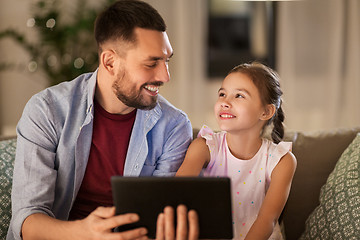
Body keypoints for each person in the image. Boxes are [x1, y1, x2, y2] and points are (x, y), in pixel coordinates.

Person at [7, 0, 197, 239]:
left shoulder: (174, 126)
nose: (165, 76)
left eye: (166, 60)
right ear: (109, 61)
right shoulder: (47, 110)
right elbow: (27, 221)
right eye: (151, 63)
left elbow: (157, 218)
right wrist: (84, 232)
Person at [176, 62, 297, 240]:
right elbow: (175, 195)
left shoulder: (282, 160)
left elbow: (267, 220)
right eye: (222, 94)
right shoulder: (204, 147)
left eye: (239, 96)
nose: (224, 102)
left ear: (266, 111)